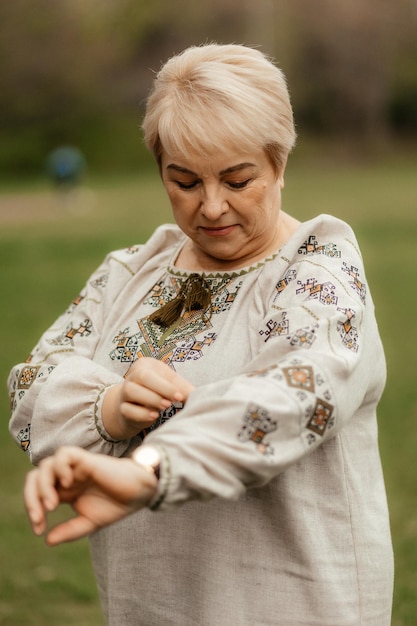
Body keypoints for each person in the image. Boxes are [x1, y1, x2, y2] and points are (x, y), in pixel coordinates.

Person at [9, 43, 393, 626]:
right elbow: (31, 388)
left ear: (280, 163)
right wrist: (109, 410)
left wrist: (148, 469)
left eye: (239, 180)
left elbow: (293, 396)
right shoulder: (129, 273)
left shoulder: (318, 271)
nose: (211, 207)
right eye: (184, 181)